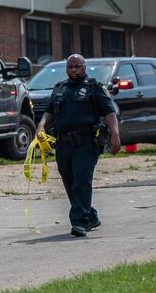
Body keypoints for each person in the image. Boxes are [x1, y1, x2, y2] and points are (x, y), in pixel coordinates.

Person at [35, 54, 121, 237]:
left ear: (84, 67)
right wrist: (41, 127)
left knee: (81, 180)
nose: (74, 70)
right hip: (63, 143)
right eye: (70, 67)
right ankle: (90, 216)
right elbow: (49, 112)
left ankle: (79, 222)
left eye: (77, 66)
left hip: (87, 142)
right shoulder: (59, 89)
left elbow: (109, 113)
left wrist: (115, 135)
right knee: (70, 181)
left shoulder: (94, 87)